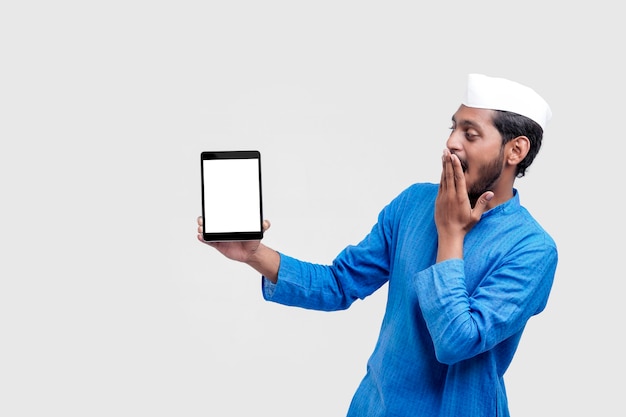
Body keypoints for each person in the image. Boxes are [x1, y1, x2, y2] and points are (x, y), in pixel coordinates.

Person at [196, 73, 558, 417]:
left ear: (515, 150)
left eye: (471, 134)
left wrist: (450, 234)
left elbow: (456, 342)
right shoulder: (413, 204)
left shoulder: (532, 249)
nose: (452, 142)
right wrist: (253, 253)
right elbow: (339, 284)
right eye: (453, 128)